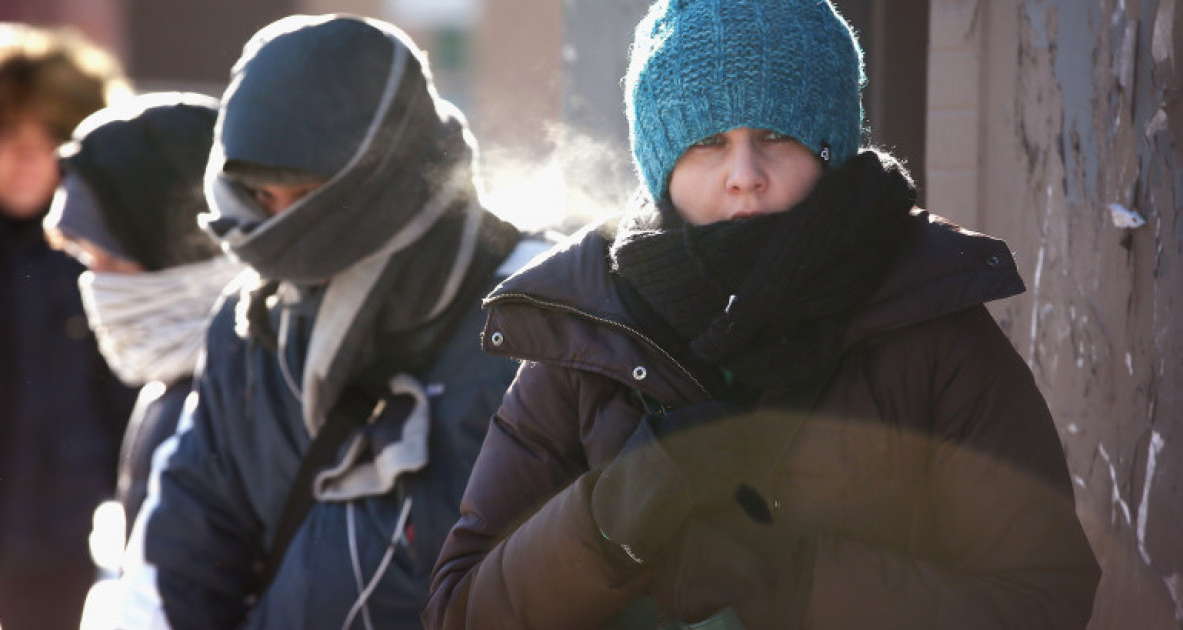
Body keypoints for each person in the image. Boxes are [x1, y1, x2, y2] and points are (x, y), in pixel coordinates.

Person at [424, 1, 1101, 629]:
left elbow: (1044, 601)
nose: (744, 172)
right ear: (661, 162)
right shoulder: (585, 335)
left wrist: (796, 582)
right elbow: (459, 611)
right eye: (707, 141)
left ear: (830, 149)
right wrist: (605, 525)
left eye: (776, 134)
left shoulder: (930, 329)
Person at [118, 14, 542, 630]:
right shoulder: (248, 324)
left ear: (388, 172)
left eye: (308, 195)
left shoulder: (537, 316)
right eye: (261, 197)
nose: (279, 228)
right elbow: (183, 552)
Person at [0, 23, 137, 630]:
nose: (26, 156)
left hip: (54, 533)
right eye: (6, 132)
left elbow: (128, 397)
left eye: (48, 134)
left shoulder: (102, 256)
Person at [44, 91, 245, 539]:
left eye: (112, 259)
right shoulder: (174, 382)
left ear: (182, 248)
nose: (96, 283)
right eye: (85, 259)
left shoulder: (244, 400)